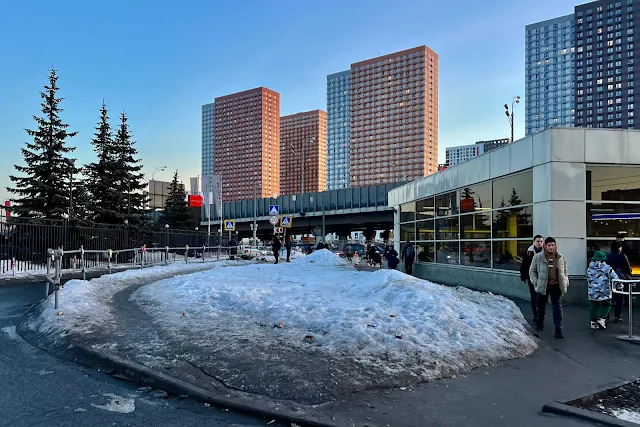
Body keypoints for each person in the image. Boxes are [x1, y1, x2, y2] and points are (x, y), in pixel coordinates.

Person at [529, 237, 569, 339]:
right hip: (543, 286)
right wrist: (536, 282)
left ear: (555, 246)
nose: (551, 247)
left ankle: (558, 329)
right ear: (545, 246)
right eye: (549, 245)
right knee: (541, 306)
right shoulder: (538, 257)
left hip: (556, 286)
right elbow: (532, 271)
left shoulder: (560, 257)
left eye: (553, 245)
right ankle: (540, 323)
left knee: (557, 307)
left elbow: (565, 271)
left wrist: (566, 281)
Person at [587, 251, 618, 330]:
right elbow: (614, 277)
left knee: (594, 305)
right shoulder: (607, 267)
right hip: (604, 290)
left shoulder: (590, 268)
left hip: (593, 290)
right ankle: (601, 319)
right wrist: (619, 284)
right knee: (607, 304)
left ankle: (593, 322)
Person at [520, 235, 544, 324]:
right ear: (534, 242)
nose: (540, 243)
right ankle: (536, 315)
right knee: (534, 296)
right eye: (538, 241)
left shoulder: (546, 251)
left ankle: (541, 315)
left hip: (543, 277)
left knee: (541, 297)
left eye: (541, 241)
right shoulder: (529, 252)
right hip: (532, 277)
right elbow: (524, 265)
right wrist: (523, 277)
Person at [607, 241, 632, 322]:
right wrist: (629, 277)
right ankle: (617, 316)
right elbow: (628, 268)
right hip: (620, 280)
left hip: (610, 279)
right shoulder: (622, 256)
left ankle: (606, 315)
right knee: (620, 298)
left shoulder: (608, 257)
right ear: (619, 248)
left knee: (610, 298)